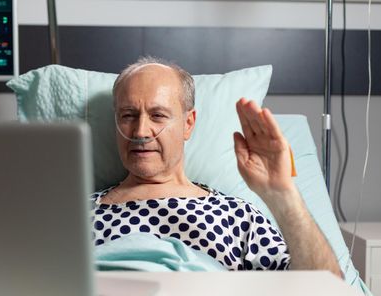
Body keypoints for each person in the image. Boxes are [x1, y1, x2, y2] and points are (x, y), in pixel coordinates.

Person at [90, 56, 343, 278]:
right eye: (128, 116)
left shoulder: (237, 216)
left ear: (188, 124)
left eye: (158, 115)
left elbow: (325, 291)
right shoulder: (77, 215)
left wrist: (282, 194)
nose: (141, 131)